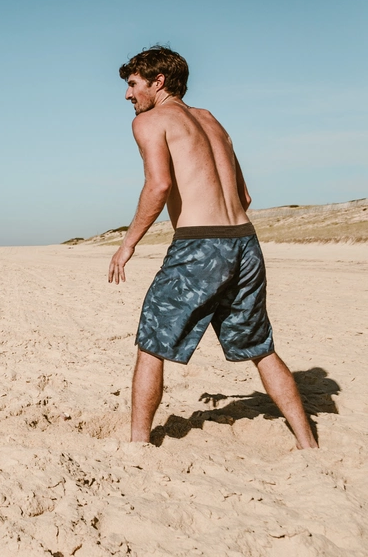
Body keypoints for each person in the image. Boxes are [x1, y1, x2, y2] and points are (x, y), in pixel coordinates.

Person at [109, 46, 317, 449]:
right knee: (261, 347)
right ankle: (308, 443)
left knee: (151, 341)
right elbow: (246, 195)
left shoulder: (151, 122)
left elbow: (159, 185)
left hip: (199, 246)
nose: (128, 95)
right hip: (245, 242)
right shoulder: (211, 121)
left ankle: (137, 445)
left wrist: (127, 244)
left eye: (133, 85)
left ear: (158, 82)